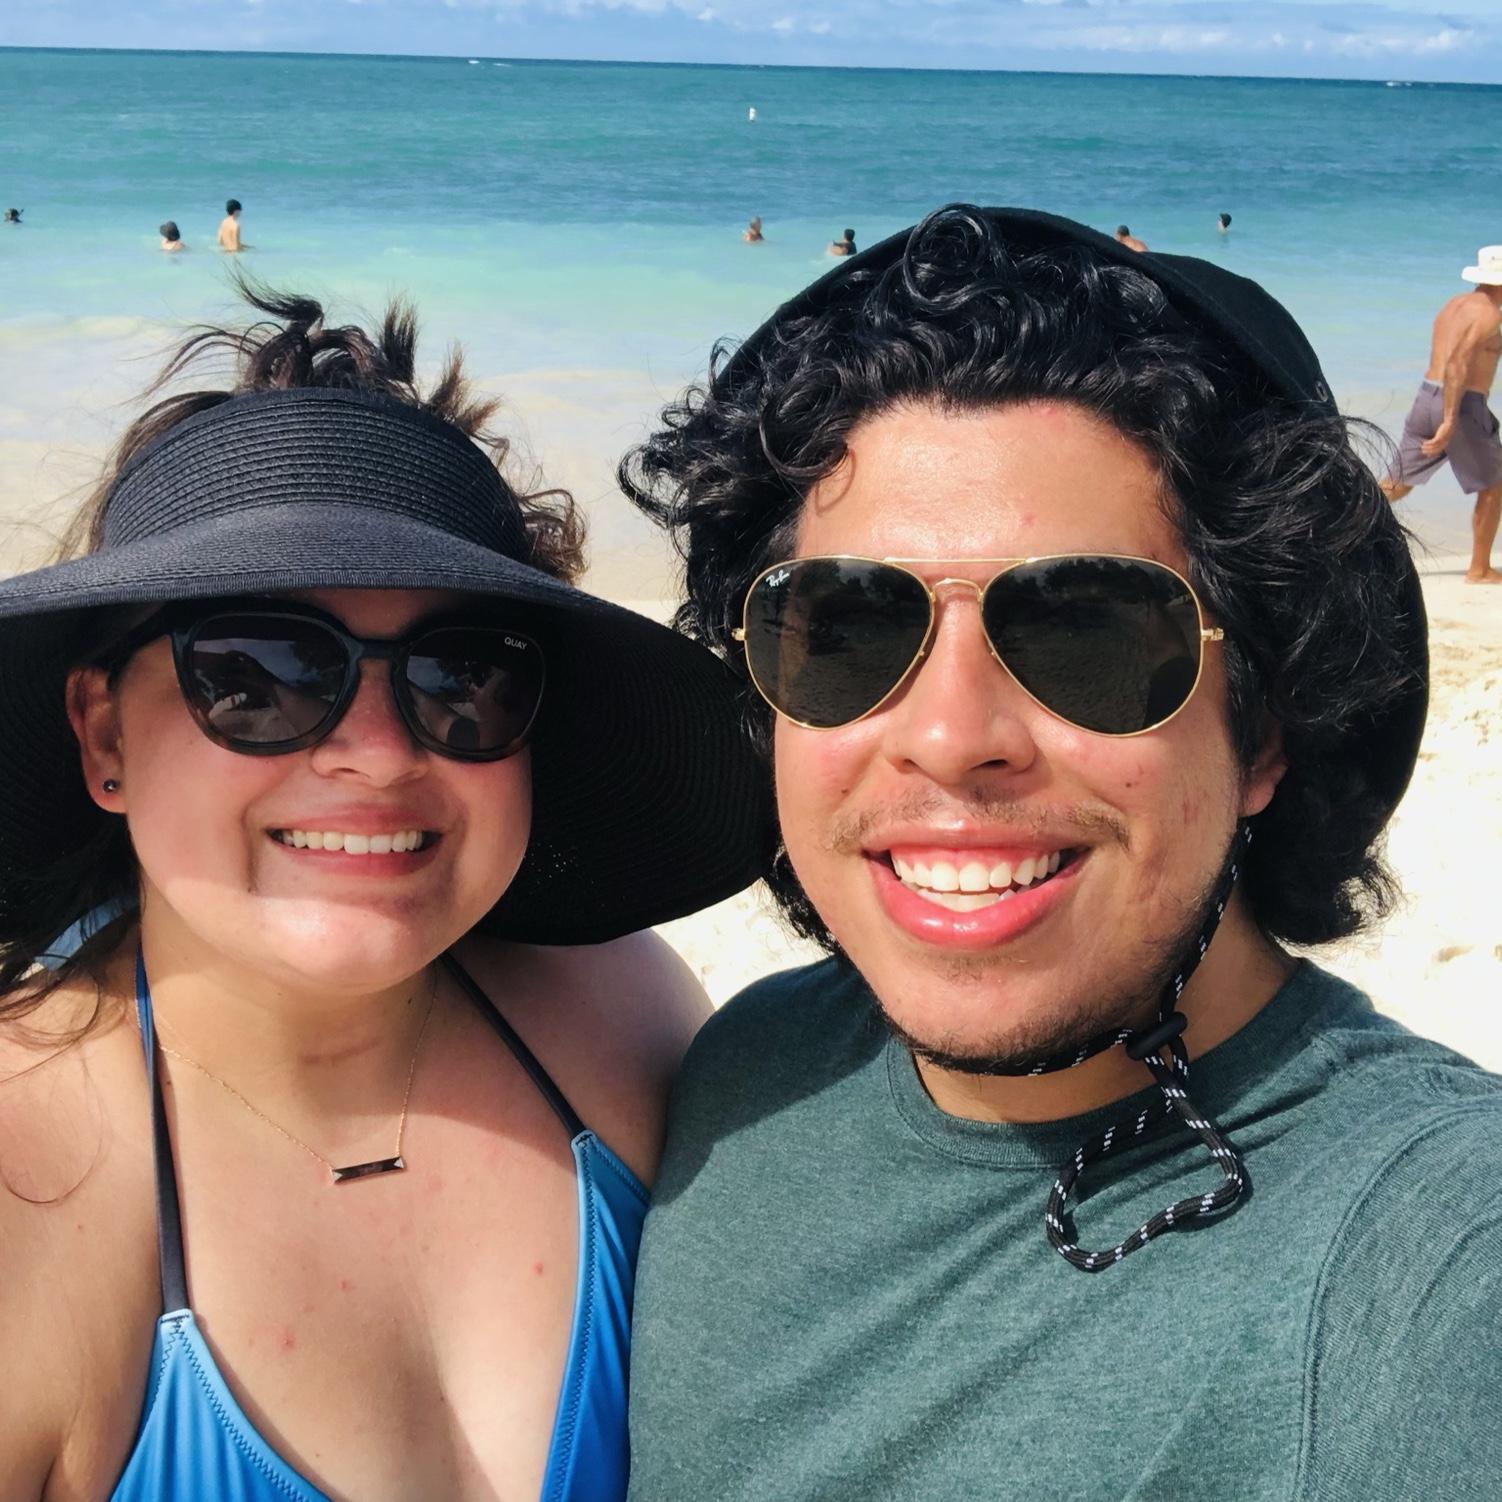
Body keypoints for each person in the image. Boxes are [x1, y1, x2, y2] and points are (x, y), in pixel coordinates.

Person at [619, 205, 1502, 1500]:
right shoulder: (744, 1077)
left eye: (1086, 632)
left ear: (1262, 726)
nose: (948, 737)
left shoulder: (1431, 1254)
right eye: (848, 629)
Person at [0, 288, 770, 1501]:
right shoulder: (24, 1194)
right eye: (257, 672)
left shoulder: (626, 1022)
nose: (377, 752)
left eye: (462, 676)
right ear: (104, 733)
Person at [1382, 244, 1502, 584]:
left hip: (1426, 397)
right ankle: (1480, 570)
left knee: (1397, 484)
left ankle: (1334, 524)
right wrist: (1450, 419)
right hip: (1460, 405)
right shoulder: (1489, 315)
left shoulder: (1454, 305)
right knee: (1494, 485)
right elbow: (1458, 363)